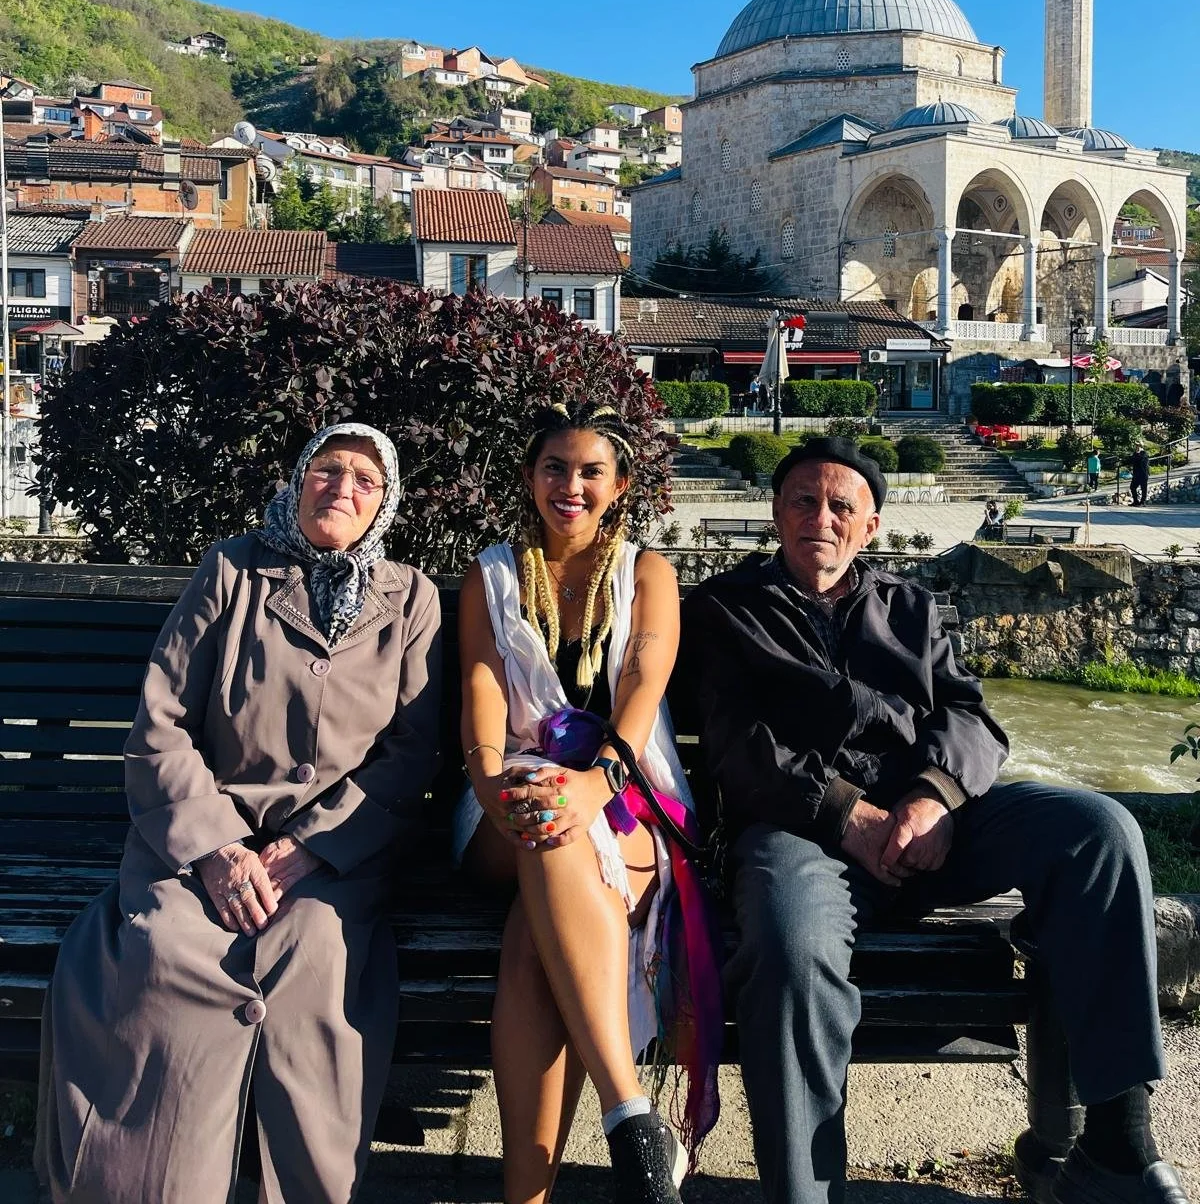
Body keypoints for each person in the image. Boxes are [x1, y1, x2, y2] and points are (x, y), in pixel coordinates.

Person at [685, 436, 1187, 1204]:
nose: (821, 516)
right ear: (776, 513)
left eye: (841, 505)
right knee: (787, 949)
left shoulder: (911, 608)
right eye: (803, 500)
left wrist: (934, 796)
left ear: (872, 525)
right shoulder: (726, 609)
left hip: (930, 829)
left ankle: (1118, 1145)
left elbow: (971, 716)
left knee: (1098, 829)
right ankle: (804, 1193)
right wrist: (847, 814)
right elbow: (735, 743)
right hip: (801, 833)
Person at [36, 424, 442, 1204]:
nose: (343, 490)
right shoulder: (232, 568)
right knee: (163, 958)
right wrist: (218, 848)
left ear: (384, 504)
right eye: (329, 471)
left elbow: (411, 754)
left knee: (316, 958)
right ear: (299, 480)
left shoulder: (411, 598)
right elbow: (163, 719)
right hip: (197, 846)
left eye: (366, 481)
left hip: (330, 861)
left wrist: (313, 848)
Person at [456, 401, 720, 1204]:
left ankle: (525, 1196)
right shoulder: (493, 573)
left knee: (535, 948)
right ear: (530, 479)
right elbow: (484, 687)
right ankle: (630, 1116)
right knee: (541, 821)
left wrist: (596, 781)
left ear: (620, 485)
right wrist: (491, 785)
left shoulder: (647, 574)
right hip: (508, 803)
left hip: (629, 797)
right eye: (554, 468)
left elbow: (642, 683)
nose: (570, 485)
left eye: (590, 471)